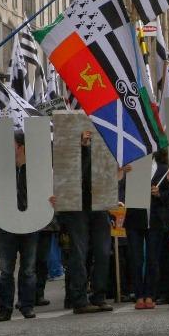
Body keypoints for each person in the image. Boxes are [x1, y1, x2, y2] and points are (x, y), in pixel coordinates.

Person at [0, 133, 52, 321]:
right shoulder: (3, 170)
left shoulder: (35, 170)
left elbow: (42, 193)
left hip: (31, 223)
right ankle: (5, 309)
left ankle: (27, 305)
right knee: (6, 269)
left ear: (21, 147)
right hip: (6, 225)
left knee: (28, 269)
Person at [57, 130, 114, 314]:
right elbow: (71, 174)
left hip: (98, 203)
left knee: (104, 251)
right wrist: (81, 148)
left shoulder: (103, 148)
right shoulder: (68, 151)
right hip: (77, 205)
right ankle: (79, 299)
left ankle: (99, 295)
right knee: (79, 253)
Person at [126, 150, 169, 309]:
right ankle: (139, 295)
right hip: (134, 218)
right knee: (136, 259)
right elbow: (119, 189)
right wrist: (123, 175)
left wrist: (160, 194)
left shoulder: (164, 169)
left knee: (153, 259)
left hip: (155, 220)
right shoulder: (130, 167)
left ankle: (150, 294)